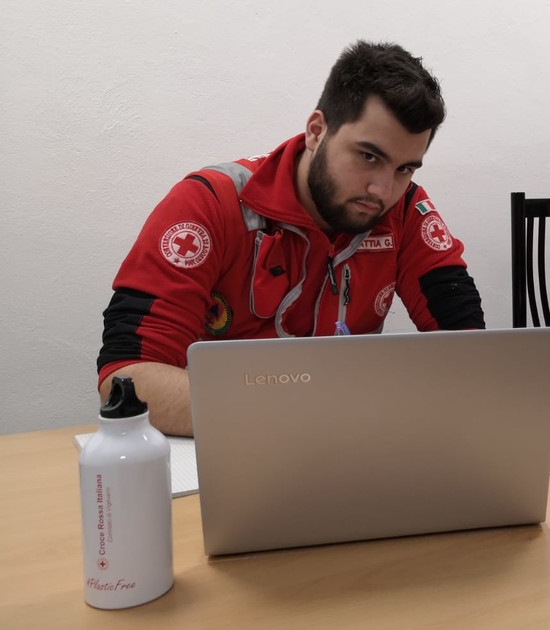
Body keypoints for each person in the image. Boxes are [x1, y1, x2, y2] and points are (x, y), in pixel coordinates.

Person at [97, 41, 484, 436]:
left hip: (348, 451)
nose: (382, 190)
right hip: (232, 451)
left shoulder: (403, 210)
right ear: (317, 131)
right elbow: (125, 379)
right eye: (368, 156)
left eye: (405, 168)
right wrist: (315, 412)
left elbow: (469, 350)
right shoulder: (210, 201)